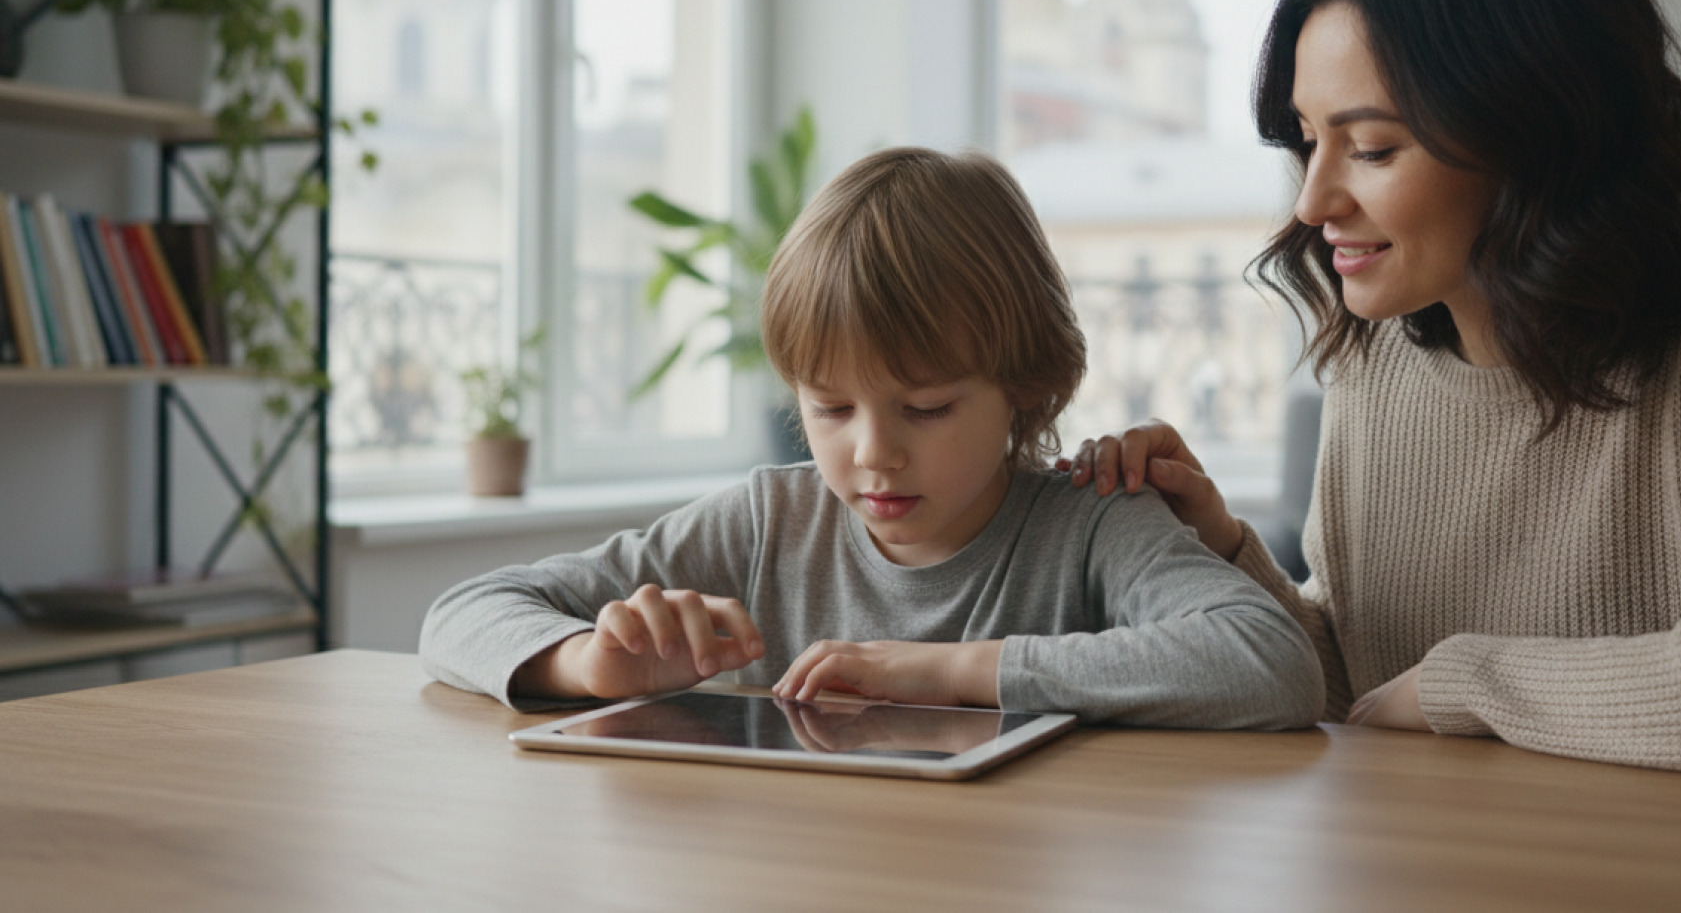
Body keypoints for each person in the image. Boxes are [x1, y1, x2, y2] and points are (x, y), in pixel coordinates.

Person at [1063, 0, 1681, 790]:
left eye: (1373, 149)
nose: (1314, 203)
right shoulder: (1376, 364)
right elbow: (1364, 683)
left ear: (1532, 132)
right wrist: (1224, 548)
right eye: (1309, 141)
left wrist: (1466, 680)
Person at [419, 147, 1323, 730]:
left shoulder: (1089, 524)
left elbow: (1272, 662)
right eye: (830, 408)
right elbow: (460, 612)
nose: (873, 453)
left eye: (925, 408)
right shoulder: (773, 520)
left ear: (1025, 387)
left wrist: (946, 673)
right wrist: (587, 662)